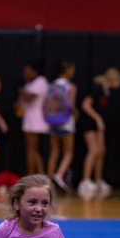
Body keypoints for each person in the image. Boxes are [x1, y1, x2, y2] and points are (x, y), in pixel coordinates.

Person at [79, 67, 120, 196]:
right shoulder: (98, 88)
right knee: (93, 150)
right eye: (119, 81)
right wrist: (98, 118)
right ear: (114, 79)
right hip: (89, 123)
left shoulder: (106, 91)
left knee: (101, 151)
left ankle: (98, 180)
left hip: (98, 125)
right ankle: (85, 181)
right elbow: (85, 105)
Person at [46, 60, 78, 191]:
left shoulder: (51, 85)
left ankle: (48, 181)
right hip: (65, 123)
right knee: (68, 152)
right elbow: (70, 105)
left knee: (54, 152)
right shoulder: (70, 86)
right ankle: (59, 174)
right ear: (67, 70)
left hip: (52, 122)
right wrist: (76, 114)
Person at [18, 61, 50, 176]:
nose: (25, 74)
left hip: (37, 119)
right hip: (29, 118)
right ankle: (40, 175)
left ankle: (31, 176)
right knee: (32, 149)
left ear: (34, 71)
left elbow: (29, 97)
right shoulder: (29, 83)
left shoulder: (41, 81)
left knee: (31, 149)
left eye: (28, 71)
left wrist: (22, 92)